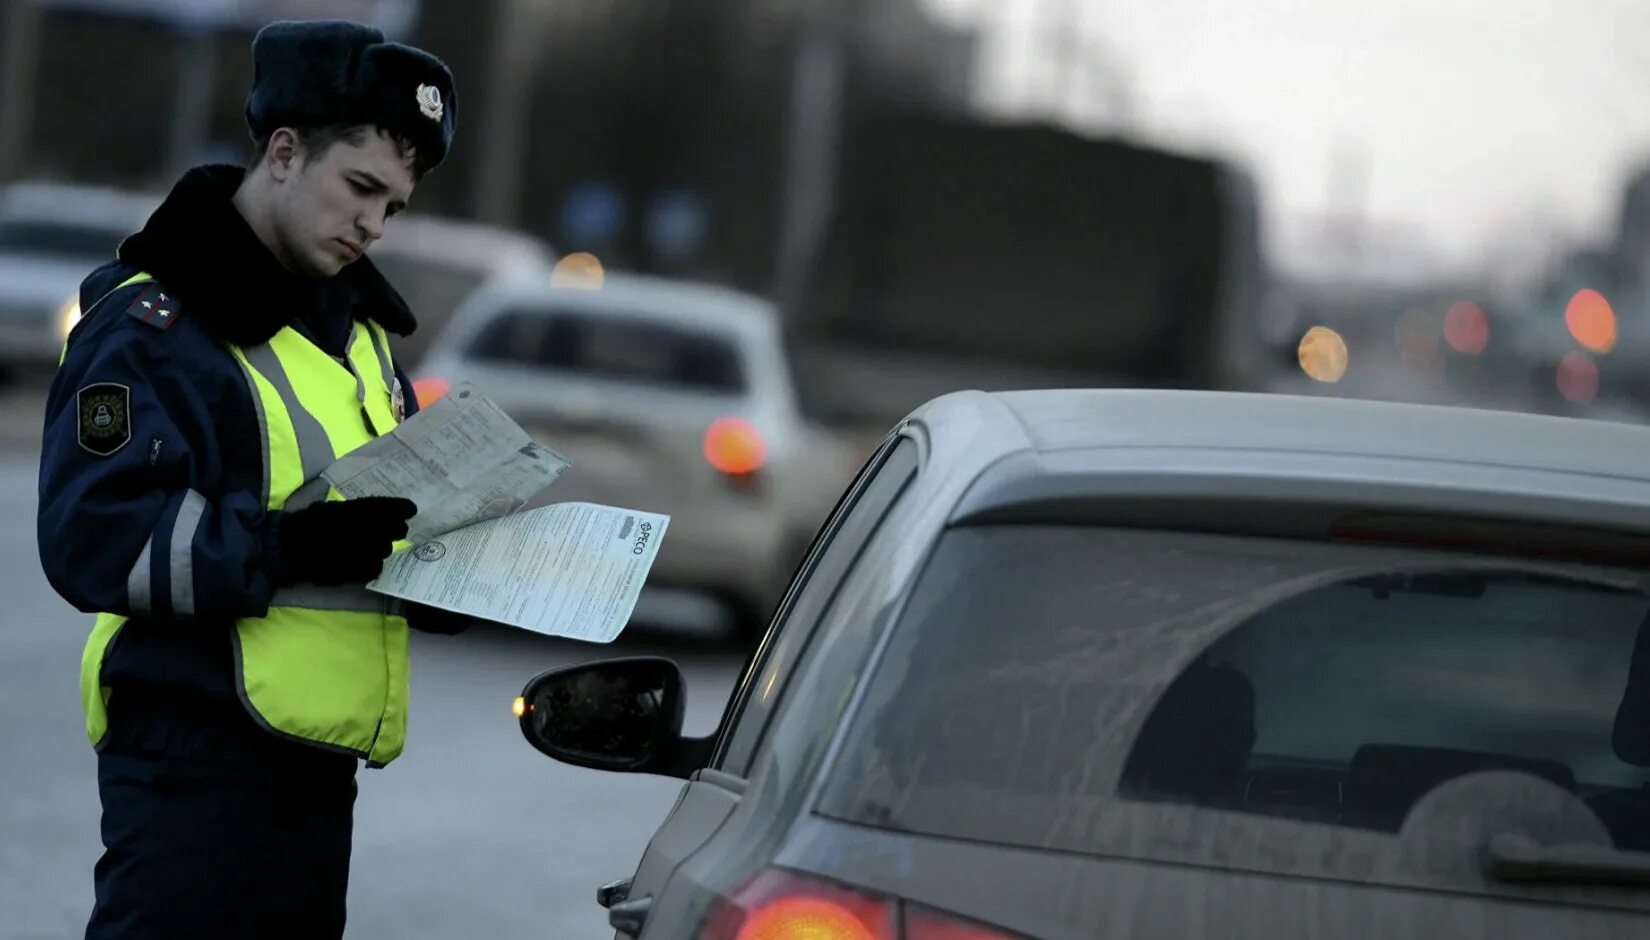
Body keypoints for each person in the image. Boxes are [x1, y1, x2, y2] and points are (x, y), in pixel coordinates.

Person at [36, 20, 471, 939]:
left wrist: (443, 570)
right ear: (282, 152)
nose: (372, 223)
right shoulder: (151, 325)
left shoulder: (357, 336)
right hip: (193, 758)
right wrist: (287, 548)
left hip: (314, 772)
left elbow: (360, 521)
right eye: (359, 188)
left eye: (392, 207)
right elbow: (94, 538)